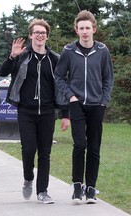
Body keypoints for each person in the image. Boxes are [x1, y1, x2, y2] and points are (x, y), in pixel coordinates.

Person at [0, 19, 70, 204]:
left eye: (43, 32)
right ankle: (28, 178)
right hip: (26, 111)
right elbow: (3, 72)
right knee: (28, 149)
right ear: (30, 35)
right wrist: (12, 56)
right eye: (36, 32)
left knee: (45, 153)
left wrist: (65, 115)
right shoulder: (22, 56)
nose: (40, 35)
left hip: (47, 112)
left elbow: (62, 87)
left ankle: (42, 191)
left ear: (47, 36)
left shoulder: (55, 59)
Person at [54, 10, 114, 204]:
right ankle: (77, 186)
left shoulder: (103, 51)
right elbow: (59, 76)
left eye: (88, 28)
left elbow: (108, 78)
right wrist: (70, 96)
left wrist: (104, 100)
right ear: (76, 30)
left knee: (94, 147)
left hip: (97, 105)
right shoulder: (69, 51)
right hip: (77, 104)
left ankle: (91, 189)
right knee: (80, 144)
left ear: (94, 29)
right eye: (81, 28)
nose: (85, 32)